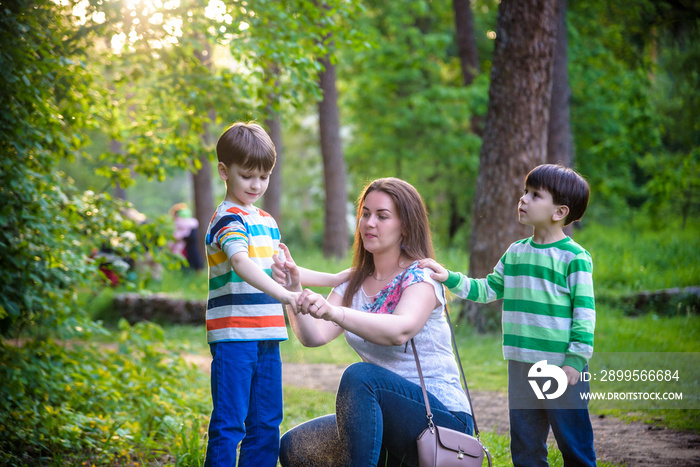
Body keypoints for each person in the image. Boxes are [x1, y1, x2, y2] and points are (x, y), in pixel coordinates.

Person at [272, 177, 474, 467]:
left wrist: (335, 312)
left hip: (440, 420)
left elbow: (400, 330)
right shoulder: (354, 281)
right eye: (365, 214)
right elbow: (313, 336)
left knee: (361, 377)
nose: (369, 223)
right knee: (297, 447)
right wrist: (291, 291)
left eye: (382, 216)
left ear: (405, 225)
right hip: (385, 414)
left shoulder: (421, 276)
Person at [419, 163, 596, 467]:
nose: (523, 199)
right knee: (526, 447)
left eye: (535, 195)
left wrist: (575, 361)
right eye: (525, 192)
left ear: (559, 212)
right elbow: (487, 289)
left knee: (574, 444)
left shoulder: (575, 258)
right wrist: (447, 276)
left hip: (561, 369)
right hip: (521, 367)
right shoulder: (516, 252)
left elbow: (584, 314)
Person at [203, 122, 346, 467]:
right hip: (234, 336)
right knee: (229, 424)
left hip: (268, 335)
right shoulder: (227, 220)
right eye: (248, 176)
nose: (256, 185)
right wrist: (285, 295)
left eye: (264, 177)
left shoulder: (266, 220)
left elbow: (285, 269)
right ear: (224, 171)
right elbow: (241, 263)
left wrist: (337, 276)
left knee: (266, 423)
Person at [169, 203, 203, 270]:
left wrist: (181, 238)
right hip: (182, 251)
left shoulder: (191, 225)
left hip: (189, 251)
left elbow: (192, 238)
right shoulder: (177, 225)